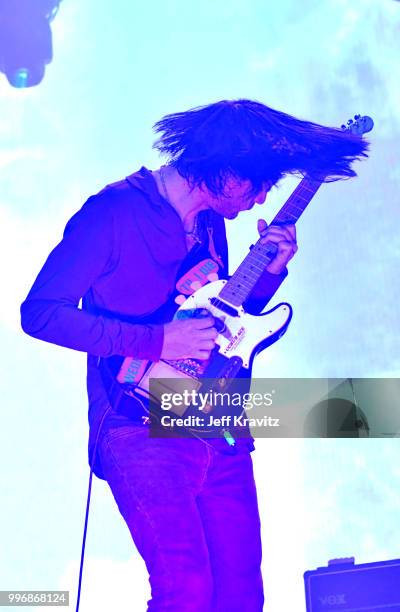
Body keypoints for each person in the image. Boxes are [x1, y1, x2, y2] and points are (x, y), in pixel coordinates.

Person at [20, 99, 368, 611]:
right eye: (258, 183)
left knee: (241, 597)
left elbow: (221, 323)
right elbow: (41, 313)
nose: (263, 196)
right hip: (139, 426)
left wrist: (271, 269)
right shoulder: (113, 212)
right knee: (186, 589)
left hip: (219, 427)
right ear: (224, 170)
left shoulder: (210, 226)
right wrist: (157, 342)